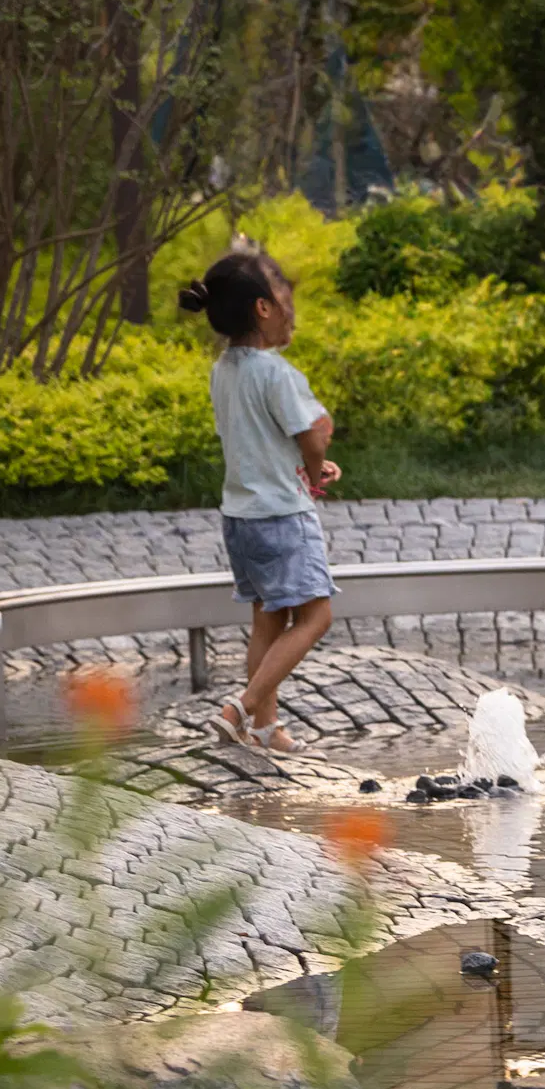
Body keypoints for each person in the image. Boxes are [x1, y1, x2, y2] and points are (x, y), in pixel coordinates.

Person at [178, 247, 338, 752]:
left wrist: (300, 464)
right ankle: (241, 708)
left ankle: (266, 730)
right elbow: (312, 434)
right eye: (281, 295)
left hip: (241, 516)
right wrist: (312, 475)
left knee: (268, 619)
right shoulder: (275, 372)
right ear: (262, 309)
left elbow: (261, 439)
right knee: (316, 618)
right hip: (282, 515)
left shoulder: (222, 369)